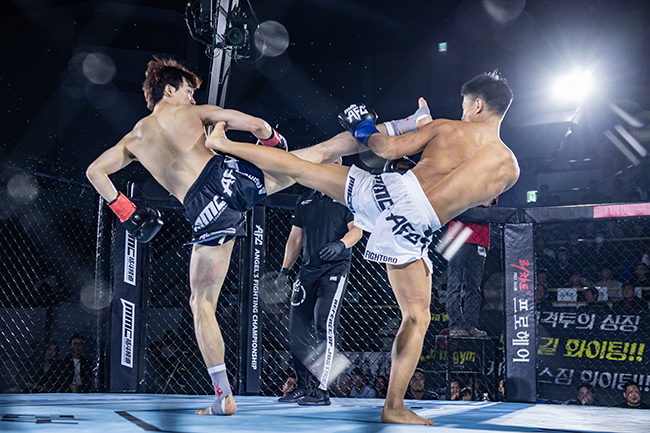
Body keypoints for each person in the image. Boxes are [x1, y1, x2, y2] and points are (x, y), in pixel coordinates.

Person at [209, 71, 519, 425]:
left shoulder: (448, 128)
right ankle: (394, 406)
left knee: (299, 167)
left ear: (477, 105)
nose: (463, 112)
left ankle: (224, 145)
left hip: (387, 191)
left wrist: (364, 126)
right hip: (415, 223)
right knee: (417, 317)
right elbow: (470, 196)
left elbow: (385, 149)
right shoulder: (509, 167)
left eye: (465, 106)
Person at [85, 56, 354, 416]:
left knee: (202, 304)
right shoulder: (193, 114)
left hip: (204, 211)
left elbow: (95, 172)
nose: (193, 98)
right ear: (169, 89)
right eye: (188, 91)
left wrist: (127, 212)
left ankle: (223, 396)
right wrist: (273, 143)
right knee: (318, 154)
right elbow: (258, 125)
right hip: (230, 178)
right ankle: (390, 131)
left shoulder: (133, 140)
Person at [276, 174, 363, 406]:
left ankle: (323, 390)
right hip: (307, 272)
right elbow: (295, 239)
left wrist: (341, 244)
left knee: (324, 324)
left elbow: (357, 230)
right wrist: (284, 270)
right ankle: (302, 387)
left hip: (334, 270)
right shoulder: (305, 199)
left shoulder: (345, 198)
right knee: (297, 330)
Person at [445, 218, 493, 337]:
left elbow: (489, 206)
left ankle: (471, 326)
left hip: (479, 238)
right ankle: (455, 326)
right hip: (457, 236)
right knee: (455, 285)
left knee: (474, 287)